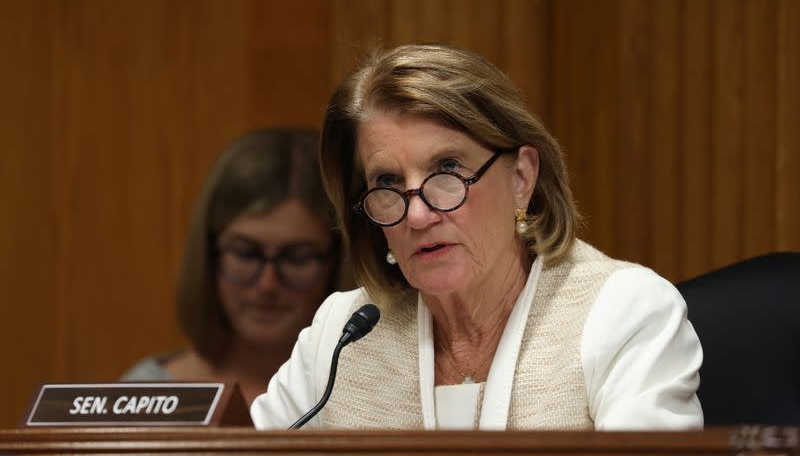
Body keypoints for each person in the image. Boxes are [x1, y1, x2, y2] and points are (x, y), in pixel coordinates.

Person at [250, 45, 703, 430]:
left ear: (521, 177)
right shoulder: (340, 336)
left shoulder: (623, 313)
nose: (420, 214)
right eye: (387, 183)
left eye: (447, 170)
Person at [122, 128, 341, 405]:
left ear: (337, 262)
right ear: (208, 256)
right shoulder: (146, 394)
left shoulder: (375, 398)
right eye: (246, 254)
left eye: (297, 258)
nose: (267, 284)